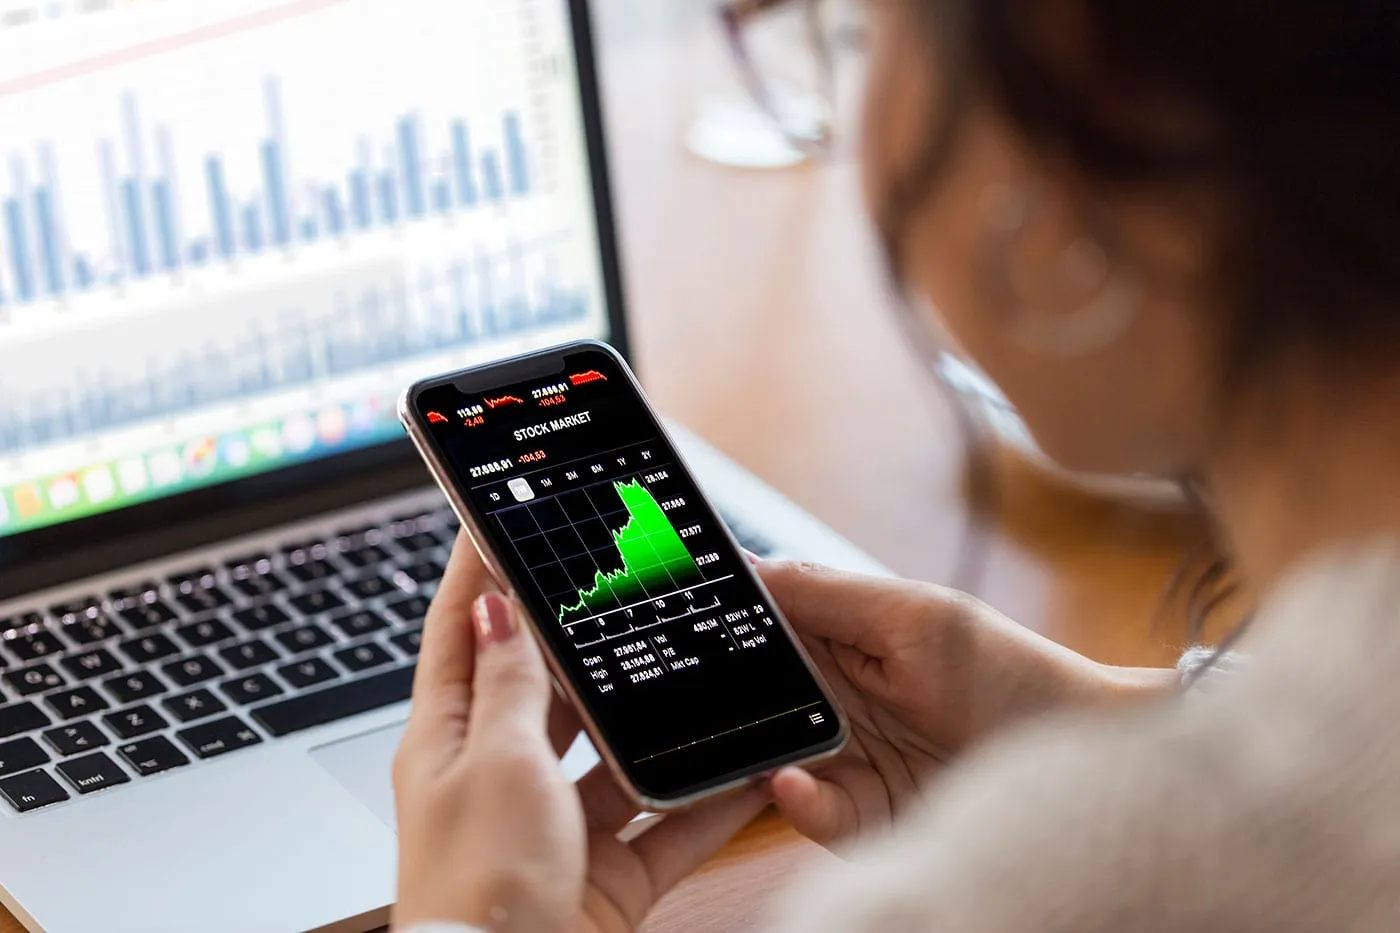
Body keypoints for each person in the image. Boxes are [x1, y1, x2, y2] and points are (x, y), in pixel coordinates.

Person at [390, 0, 1400, 930]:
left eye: (866, 36)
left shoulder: (1050, 894)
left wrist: (474, 917)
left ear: (1071, 161)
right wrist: (1114, 716)